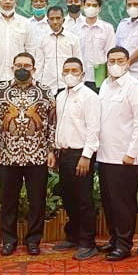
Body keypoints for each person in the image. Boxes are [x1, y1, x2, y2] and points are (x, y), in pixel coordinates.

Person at [0, 52, 56, 256]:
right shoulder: (0, 90)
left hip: (37, 155)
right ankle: (8, 240)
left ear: (34, 69)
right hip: (8, 155)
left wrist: (51, 150)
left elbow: (52, 123)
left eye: (27, 66)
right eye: (18, 65)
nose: (22, 69)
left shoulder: (45, 91)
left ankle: (33, 240)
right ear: (12, 67)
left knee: (37, 201)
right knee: (8, 201)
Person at [96, 46, 138, 261]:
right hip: (105, 154)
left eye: (120, 60)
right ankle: (114, 238)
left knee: (123, 203)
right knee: (109, 201)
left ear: (128, 63)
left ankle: (124, 244)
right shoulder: (105, 86)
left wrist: (132, 152)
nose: (115, 65)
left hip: (126, 157)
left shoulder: (135, 88)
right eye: (112, 61)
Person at [53, 57, 101, 261]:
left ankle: (88, 242)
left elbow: (93, 128)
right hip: (64, 153)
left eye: (74, 71)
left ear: (82, 74)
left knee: (83, 199)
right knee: (68, 197)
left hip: (81, 154)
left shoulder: (89, 97)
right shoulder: (60, 96)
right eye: (66, 71)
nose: (70, 74)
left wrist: (86, 156)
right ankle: (72, 236)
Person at [35, 6, 81, 95]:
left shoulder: (73, 39)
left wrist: (78, 83)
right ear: (47, 21)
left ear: (63, 20)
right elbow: (39, 64)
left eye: (58, 18)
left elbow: (78, 62)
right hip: (47, 85)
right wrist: (38, 84)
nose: (55, 22)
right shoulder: (42, 40)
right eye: (52, 19)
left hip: (68, 84)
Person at [78, 0, 116, 91]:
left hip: (100, 77)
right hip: (80, 77)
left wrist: (110, 76)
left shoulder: (107, 28)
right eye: (88, 5)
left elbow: (110, 54)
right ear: (83, 7)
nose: (91, 8)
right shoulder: (75, 29)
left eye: (94, 5)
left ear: (99, 9)